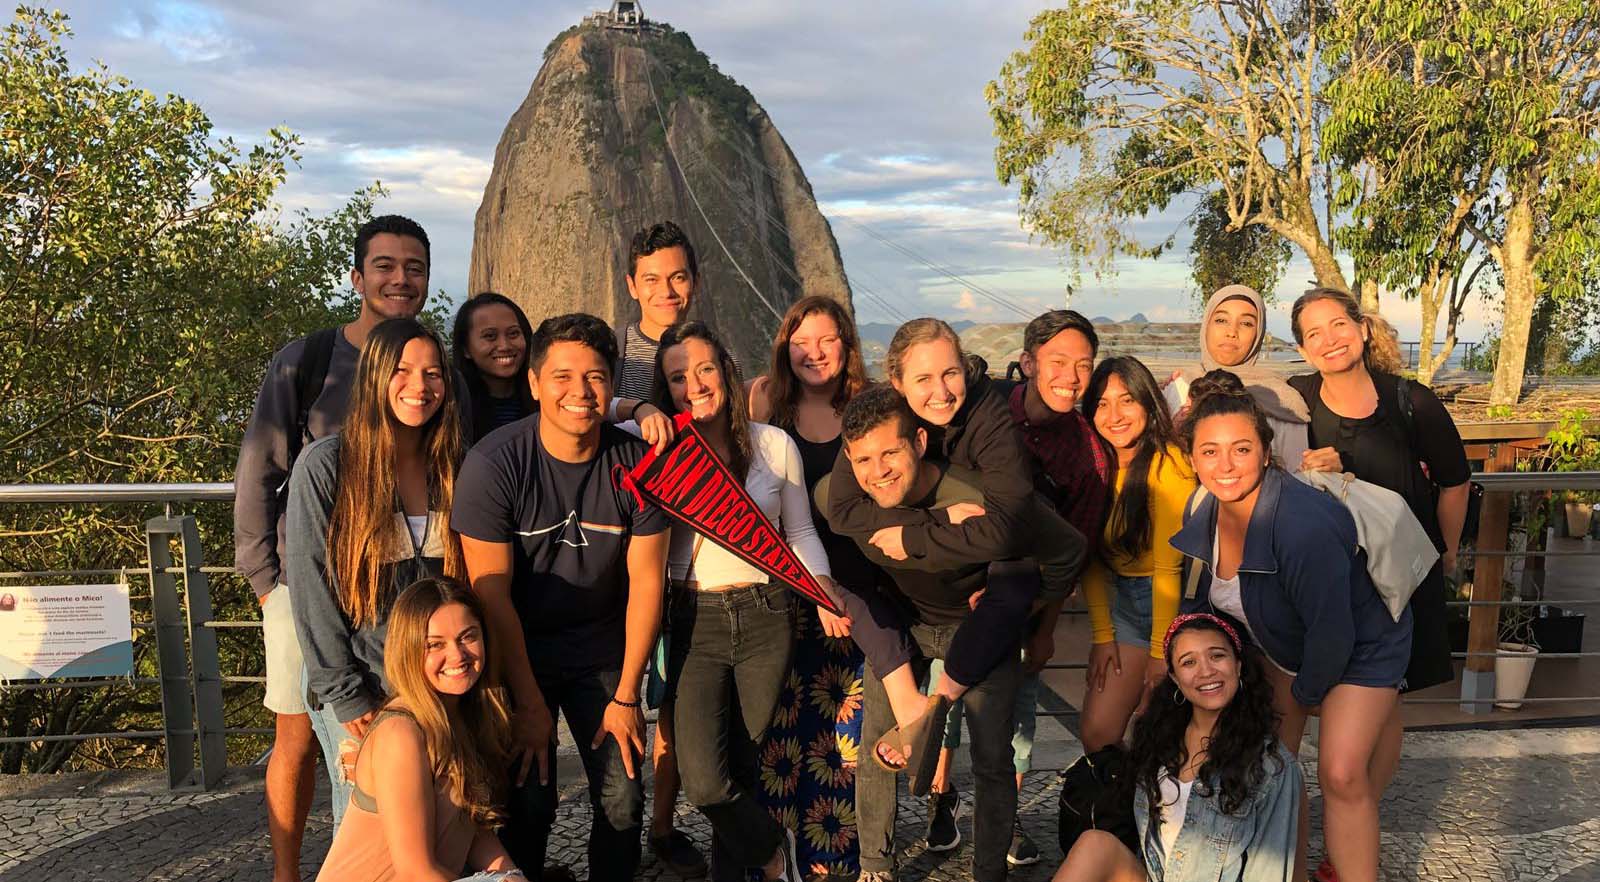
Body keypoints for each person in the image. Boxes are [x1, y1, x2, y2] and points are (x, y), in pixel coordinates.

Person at [234, 214, 436, 881]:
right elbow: (260, 472)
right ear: (358, 276)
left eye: (413, 267)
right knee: (301, 735)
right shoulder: (309, 358)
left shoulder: (435, 372)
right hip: (305, 584)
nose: (399, 278)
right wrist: (272, 584)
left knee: (384, 747)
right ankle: (290, 873)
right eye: (384, 265)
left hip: (392, 595)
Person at [451, 313, 671, 882]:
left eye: (596, 378)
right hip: (515, 651)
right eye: (563, 377)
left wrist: (627, 697)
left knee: (622, 796)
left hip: (601, 654)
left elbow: (648, 582)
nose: (580, 393)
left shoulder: (639, 465)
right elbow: (491, 592)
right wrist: (526, 704)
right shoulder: (494, 465)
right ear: (534, 382)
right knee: (526, 800)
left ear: (613, 383)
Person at [824, 319, 1085, 796]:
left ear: (965, 368)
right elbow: (837, 504)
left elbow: (1017, 530)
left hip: (999, 575)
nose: (941, 392)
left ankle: (991, 843)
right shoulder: (884, 422)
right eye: (923, 379)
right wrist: (925, 529)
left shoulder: (987, 416)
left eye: (950, 373)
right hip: (924, 592)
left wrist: (1032, 616)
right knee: (846, 571)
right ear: (898, 385)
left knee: (997, 739)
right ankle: (901, 833)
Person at [1170, 370, 1413, 882]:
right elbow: (1203, 608)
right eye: (1210, 452)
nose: (1226, 465)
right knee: (1275, 774)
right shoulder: (1203, 509)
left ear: (1265, 449)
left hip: (1361, 641)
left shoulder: (1302, 526)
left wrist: (1306, 694)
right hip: (1280, 640)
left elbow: (1334, 634)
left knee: (1341, 773)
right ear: (1193, 459)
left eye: (1241, 448)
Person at [638, 322, 834, 882]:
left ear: (725, 370)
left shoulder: (773, 445)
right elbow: (601, 413)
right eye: (677, 377)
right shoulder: (660, 449)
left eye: (703, 369)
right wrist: (636, 406)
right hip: (693, 619)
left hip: (768, 614)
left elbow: (799, 535)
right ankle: (774, 849)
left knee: (745, 768)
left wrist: (821, 592)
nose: (693, 385)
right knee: (703, 778)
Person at [1285, 288, 1469, 881]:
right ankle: (1351, 812)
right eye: (1314, 333)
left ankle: (1356, 812)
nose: (1329, 339)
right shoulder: (1296, 399)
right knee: (1367, 703)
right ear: (1302, 347)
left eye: (1338, 325)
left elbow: (1455, 480)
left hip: (1402, 571)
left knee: (1388, 700)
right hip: (1331, 581)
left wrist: (1444, 554)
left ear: (1363, 330)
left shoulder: (1409, 401)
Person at [923, 309, 1112, 865]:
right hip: (951, 587)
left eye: (1083, 366)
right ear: (1028, 362)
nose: (1071, 378)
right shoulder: (985, 406)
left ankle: (1006, 825)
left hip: (1021, 603)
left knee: (1015, 725)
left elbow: (1070, 556)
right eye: (1058, 362)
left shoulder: (1086, 457)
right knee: (941, 705)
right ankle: (937, 802)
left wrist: (1044, 627)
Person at [831, 385, 1036, 882]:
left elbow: (1023, 566)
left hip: (982, 625)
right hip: (908, 626)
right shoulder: (857, 507)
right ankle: (875, 866)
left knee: (992, 757)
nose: (877, 471)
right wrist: (938, 523)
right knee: (877, 742)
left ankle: (989, 871)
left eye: (890, 453)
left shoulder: (974, 491)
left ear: (920, 442)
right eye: (863, 460)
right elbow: (852, 586)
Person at [286, 317, 466, 827]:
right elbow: (311, 584)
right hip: (362, 682)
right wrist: (346, 694)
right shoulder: (328, 466)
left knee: (437, 823)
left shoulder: (455, 466)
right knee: (369, 830)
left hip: (436, 681)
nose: (420, 386)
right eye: (403, 371)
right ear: (374, 376)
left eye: (434, 373)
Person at [746, 296, 874, 877]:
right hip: (781, 603)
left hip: (854, 601)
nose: (814, 352)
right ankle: (775, 858)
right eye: (801, 342)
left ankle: (831, 863)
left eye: (827, 340)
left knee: (839, 744)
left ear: (846, 346)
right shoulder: (766, 413)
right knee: (777, 742)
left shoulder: (869, 411)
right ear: (784, 349)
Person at [1050, 613, 1300, 882]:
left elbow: (1271, 871)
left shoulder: (1270, 766)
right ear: (1175, 678)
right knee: (1095, 844)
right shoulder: (1161, 742)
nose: (1206, 671)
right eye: (1188, 662)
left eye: (1217, 656)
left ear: (1238, 665)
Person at [609, 220, 709, 878]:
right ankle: (618, 828)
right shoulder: (615, 357)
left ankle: (662, 827)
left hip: (686, 563)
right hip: (617, 561)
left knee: (669, 705)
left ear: (693, 282)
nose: (666, 289)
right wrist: (625, 404)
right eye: (652, 279)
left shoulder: (702, 349)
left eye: (677, 277)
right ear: (631, 285)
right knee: (620, 701)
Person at [315, 576, 523, 882]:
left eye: (468, 637)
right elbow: (416, 872)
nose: (457, 656)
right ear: (409, 650)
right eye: (434, 645)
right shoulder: (401, 733)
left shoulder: (465, 716)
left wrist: (513, 876)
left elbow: (471, 830)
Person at [1079, 357, 1197, 752]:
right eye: (1102, 403)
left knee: (1162, 735)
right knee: (1098, 732)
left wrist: (1160, 656)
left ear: (1148, 403)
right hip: (1124, 603)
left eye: (1126, 400)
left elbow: (1168, 568)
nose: (1114, 415)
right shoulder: (1093, 465)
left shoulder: (1170, 465)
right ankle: (1116, 812)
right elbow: (1090, 557)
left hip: (1174, 606)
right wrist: (1102, 635)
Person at [1169, 285, 1311, 468]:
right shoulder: (1176, 388)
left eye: (1246, 323)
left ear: (1258, 334)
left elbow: (1296, 474)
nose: (1231, 332)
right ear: (1206, 326)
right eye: (1221, 320)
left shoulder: (1283, 401)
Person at [453, 292, 535, 439]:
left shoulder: (544, 400)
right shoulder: (453, 408)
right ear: (465, 349)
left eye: (513, 333)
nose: (505, 346)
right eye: (490, 336)